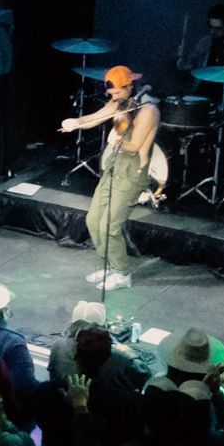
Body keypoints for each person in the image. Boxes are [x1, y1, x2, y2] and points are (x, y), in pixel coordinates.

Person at [60, 64, 158, 290]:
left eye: (116, 93)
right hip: (114, 166)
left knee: (110, 226)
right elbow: (96, 117)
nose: (112, 97)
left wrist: (117, 141)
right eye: (110, 94)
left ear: (130, 86)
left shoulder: (148, 110)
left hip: (132, 172)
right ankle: (108, 267)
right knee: (93, 220)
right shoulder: (120, 103)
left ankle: (122, 273)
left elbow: (134, 146)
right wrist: (76, 123)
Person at [176, 1, 224, 74]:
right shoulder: (205, 42)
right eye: (211, 27)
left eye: (218, 28)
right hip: (204, 88)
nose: (212, 31)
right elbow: (189, 67)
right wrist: (183, 59)